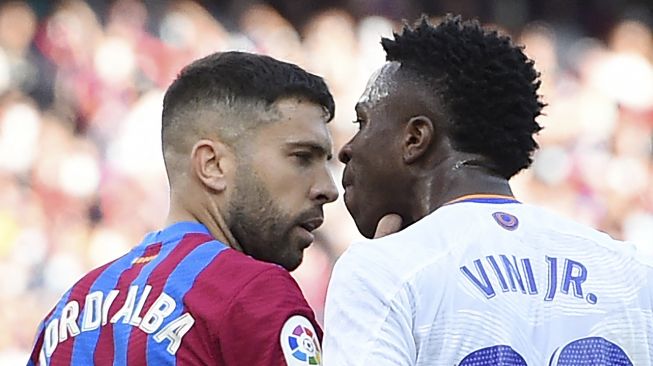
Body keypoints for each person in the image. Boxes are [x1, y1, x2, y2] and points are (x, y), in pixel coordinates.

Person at [323, 15, 653, 365]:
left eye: (363, 122)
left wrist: (388, 263)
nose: (346, 148)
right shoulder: (631, 270)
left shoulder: (379, 271)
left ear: (415, 138)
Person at [28, 51, 338, 365]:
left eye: (326, 162)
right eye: (302, 157)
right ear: (213, 164)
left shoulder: (68, 311)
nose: (328, 189)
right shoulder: (252, 293)